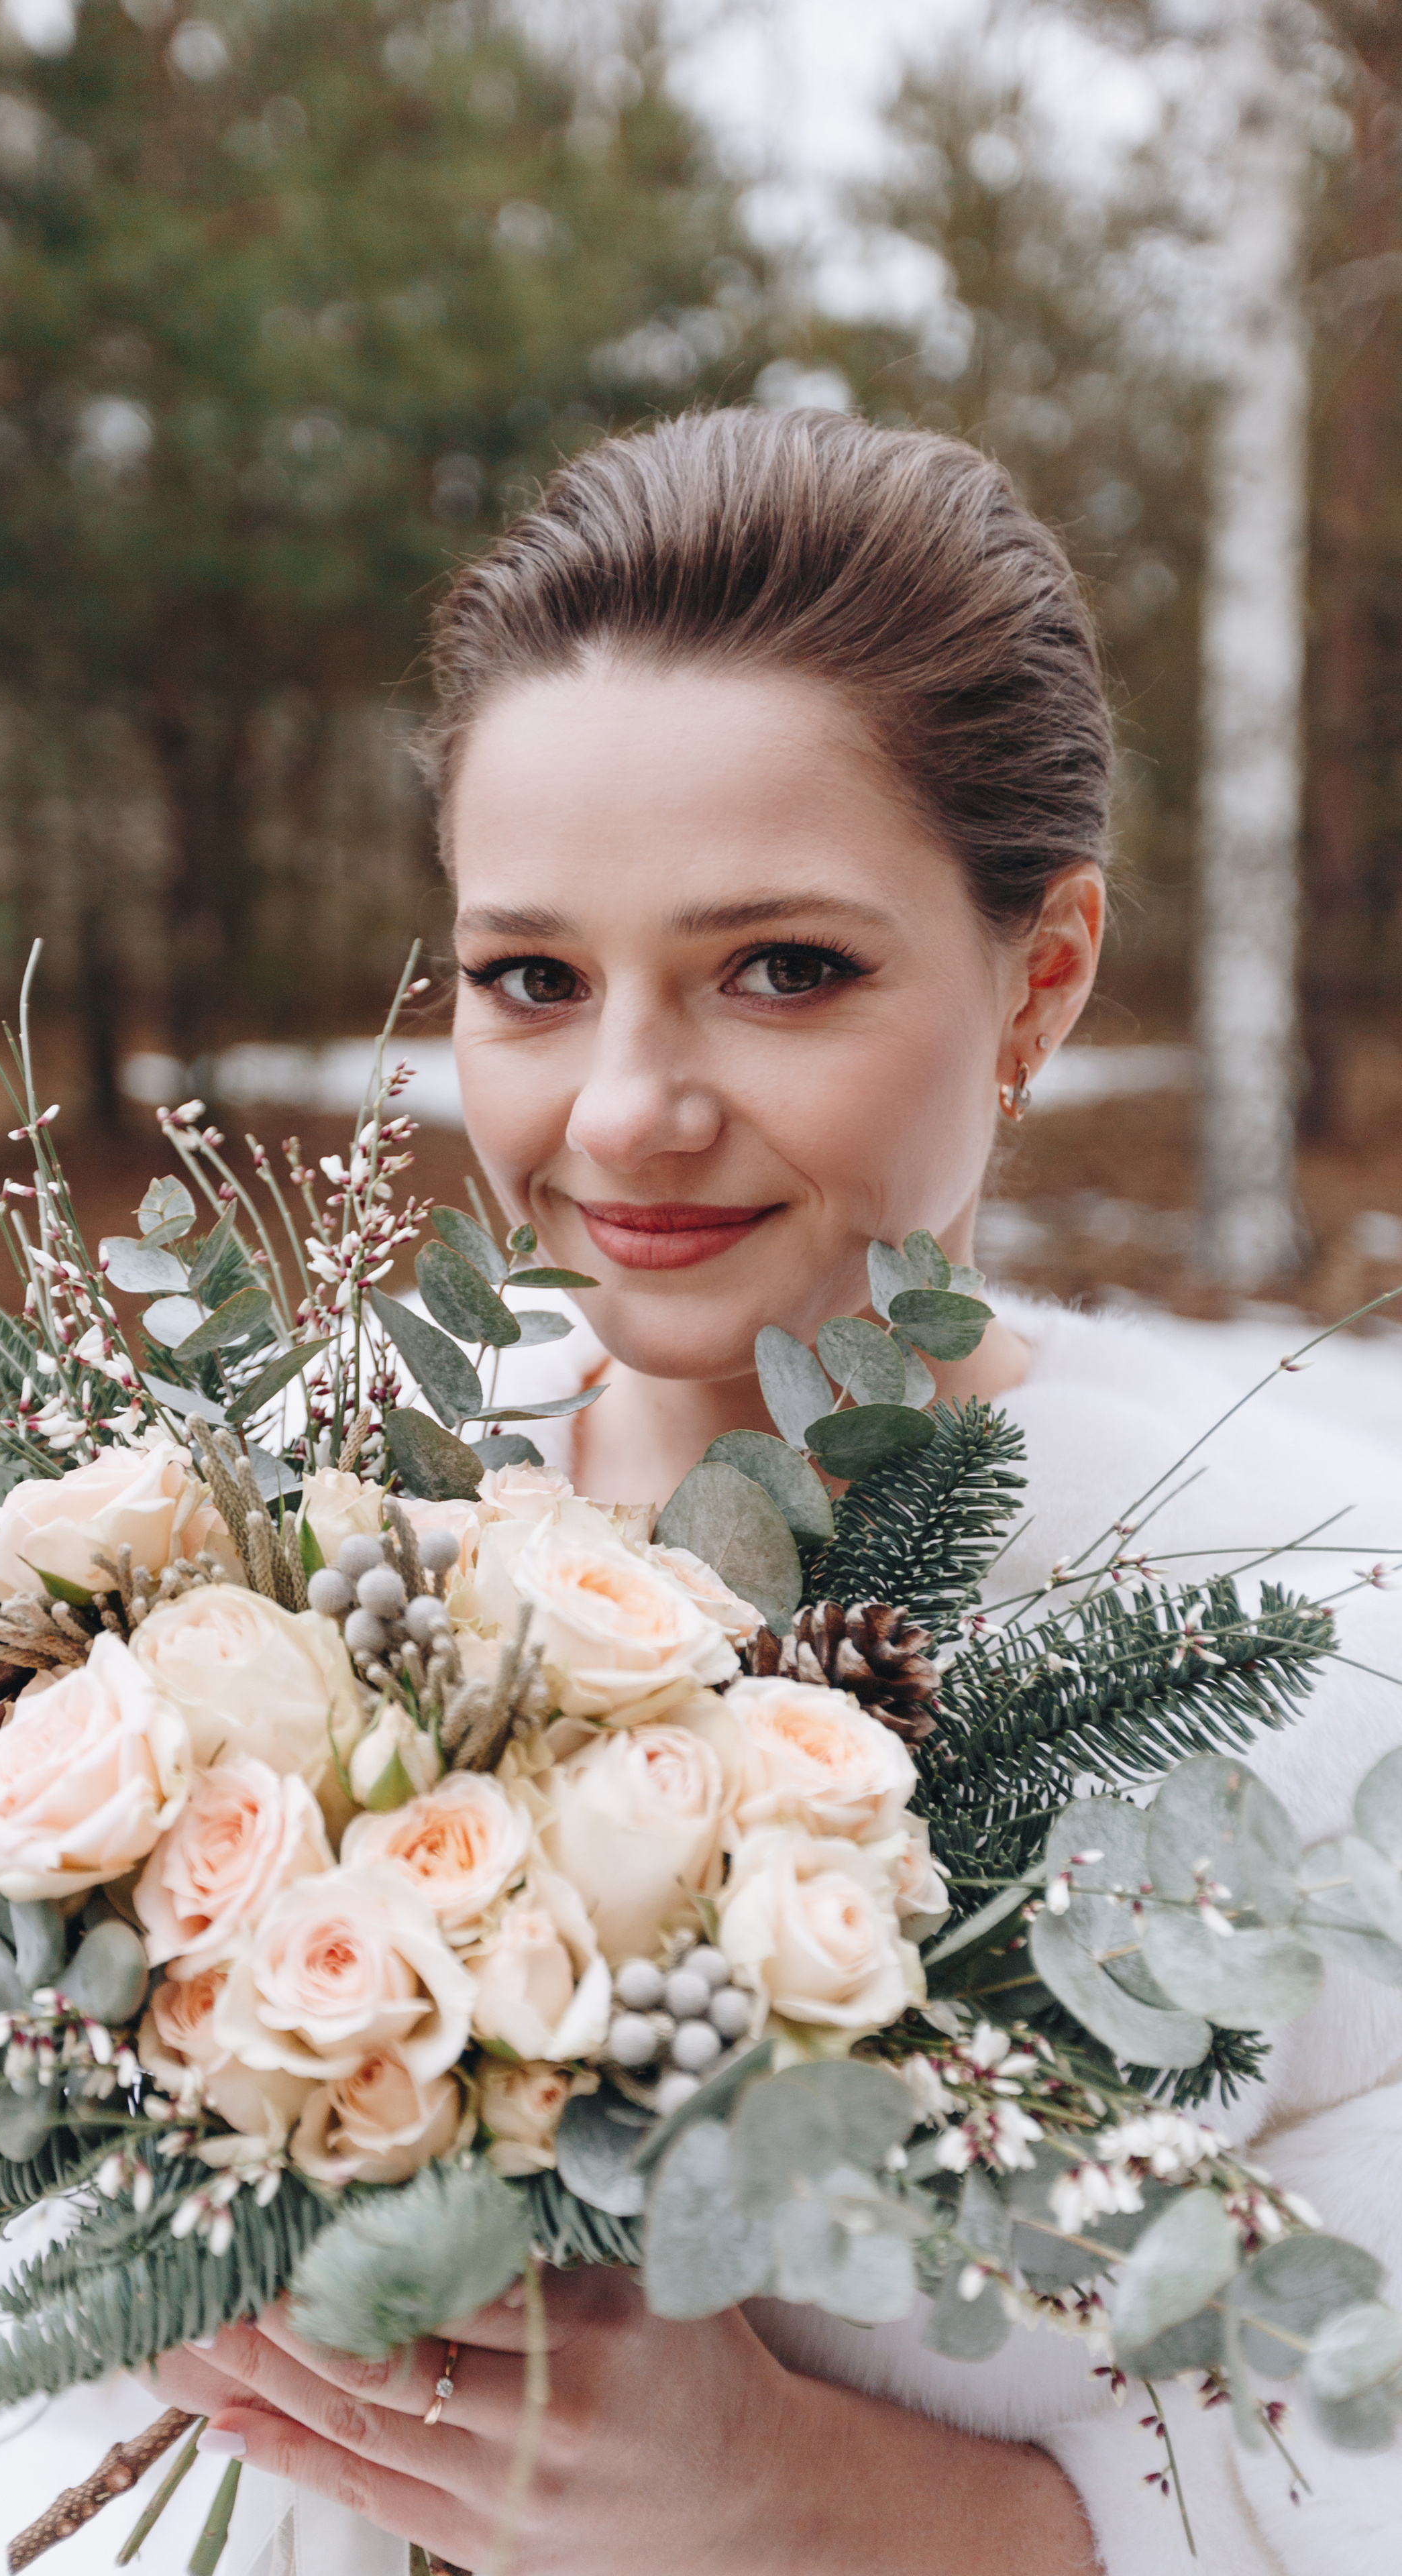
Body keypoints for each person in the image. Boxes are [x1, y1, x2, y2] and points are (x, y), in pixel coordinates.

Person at [152, 409, 1402, 2573]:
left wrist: (852, 2516)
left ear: (1045, 974)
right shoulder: (285, 1567)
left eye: (784, 968)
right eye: (533, 980)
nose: (624, 1111)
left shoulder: (1309, 1648)